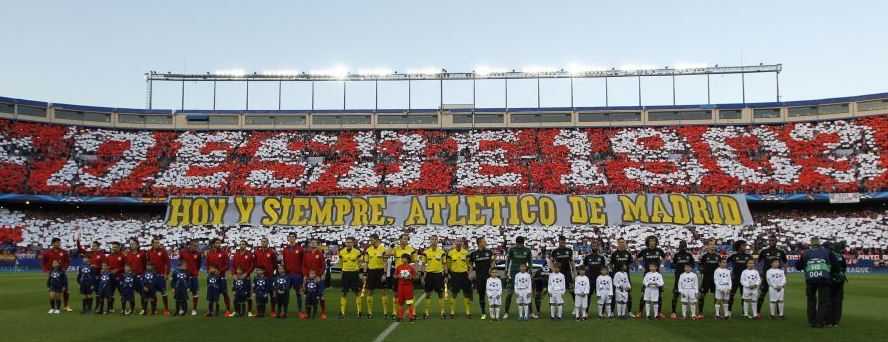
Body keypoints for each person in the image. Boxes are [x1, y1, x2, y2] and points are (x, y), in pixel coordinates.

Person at [795, 237, 839, 328]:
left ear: (811, 244)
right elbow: (836, 266)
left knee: (811, 300)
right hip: (824, 278)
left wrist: (806, 266)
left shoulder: (806, 253)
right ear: (819, 244)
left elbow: (797, 266)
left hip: (810, 279)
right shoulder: (827, 252)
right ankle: (820, 321)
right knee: (823, 301)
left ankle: (812, 321)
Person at [388, 233, 417, 321]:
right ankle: (395, 313)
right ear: (400, 239)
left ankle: (413, 314)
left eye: (407, 239)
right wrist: (392, 245)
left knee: (410, 295)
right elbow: (387, 254)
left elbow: (415, 262)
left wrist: (413, 273)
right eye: (404, 239)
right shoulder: (396, 249)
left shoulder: (411, 250)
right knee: (396, 294)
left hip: (408, 274)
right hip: (398, 273)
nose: (406, 240)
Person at [756, 235, 788, 314]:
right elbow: (758, 261)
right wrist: (759, 271)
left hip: (777, 278)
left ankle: (778, 313)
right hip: (766, 276)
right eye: (770, 240)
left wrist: (785, 272)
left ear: (776, 241)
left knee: (778, 295)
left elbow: (785, 262)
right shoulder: (764, 251)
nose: (771, 242)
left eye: (773, 240)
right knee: (762, 294)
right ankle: (757, 312)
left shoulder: (781, 251)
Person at [504, 236, 533, 320]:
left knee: (528, 293)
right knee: (509, 293)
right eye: (518, 244)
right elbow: (507, 260)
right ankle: (506, 313)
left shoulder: (527, 250)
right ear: (516, 243)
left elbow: (530, 261)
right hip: (513, 274)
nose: (519, 245)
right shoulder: (512, 249)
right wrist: (506, 271)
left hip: (524, 274)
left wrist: (530, 271)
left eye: (521, 244)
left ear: (523, 243)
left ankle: (530, 313)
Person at [636, 235, 665, 318]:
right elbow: (636, 258)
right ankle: (640, 312)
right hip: (647, 274)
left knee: (659, 294)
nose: (652, 242)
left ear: (656, 242)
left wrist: (662, 264)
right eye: (650, 241)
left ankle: (659, 313)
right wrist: (639, 266)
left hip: (657, 274)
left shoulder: (659, 250)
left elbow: (664, 257)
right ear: (648, 242)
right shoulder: (644, 251)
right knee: (644, 293)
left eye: (654, 241)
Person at [42, 237, 72, 312]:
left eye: (59, 242)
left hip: (62, 273)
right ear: (53, 243)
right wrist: (46, 270)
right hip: (52, 273)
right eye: (57, 242)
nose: (59, 244)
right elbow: (43, 263)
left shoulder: (64, 252)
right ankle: (53, 307)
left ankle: (66, 306)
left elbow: (68, 261)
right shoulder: (47, 252)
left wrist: (65, 268)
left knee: (66, 289)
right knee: (52, 288)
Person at [421, 235, 447, 319]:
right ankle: (426, 313)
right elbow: (423, 265)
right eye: (432, 239)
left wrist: (446, 275)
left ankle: (442, 312)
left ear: (438, 241)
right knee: (428, 294)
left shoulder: (442, 252)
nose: (434, 241)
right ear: (430, 240)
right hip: (429, 275)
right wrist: (422, 276)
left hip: (439, 275)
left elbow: (445, 264)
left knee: (440, 294)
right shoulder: (426, 252)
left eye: (436, 239)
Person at [468, 236, 495, 319]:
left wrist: (492, 269)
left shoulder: (489, 252)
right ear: (479, 243)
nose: (485, 243)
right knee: (481, 295)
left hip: (489, 277)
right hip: (479, 277)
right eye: (483, 241)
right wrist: (470, 272)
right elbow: (471, 264)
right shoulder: (474, 254)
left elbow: (493, 261)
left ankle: (494, 312)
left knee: (492, 294)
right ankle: (483, 313)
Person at [363, 233, 389, 319]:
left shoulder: (383, 249)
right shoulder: (368, 250)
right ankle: (369, 312)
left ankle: (385, 312)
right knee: (370, 291)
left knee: (383, 291)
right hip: (371, 272)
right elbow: (366, 263)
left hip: (380, 271)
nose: (370, 242)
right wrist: (364, 274)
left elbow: (385, 262)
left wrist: (384, 274)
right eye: (370, 240)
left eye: (372, 240)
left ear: (377, 240)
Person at [446, 237, 472, 319]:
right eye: (457, 241)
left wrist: (469, 272)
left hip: (464, 274)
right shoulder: (450, 253)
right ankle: (452, 312)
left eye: (460, 241)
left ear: (462, 243)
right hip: (455, 275)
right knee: (454, 293)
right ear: (454, 242)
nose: (458, 242)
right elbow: (449, 265)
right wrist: (450, 273)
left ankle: (468, 312)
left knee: (466, 293)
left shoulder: (466, 252)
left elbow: (468, 264)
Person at [205, 238, 232, 317]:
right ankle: (210, 311)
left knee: (225, 293)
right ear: (213, 244)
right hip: (212, 277)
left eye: (219, 243)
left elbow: (228, 265)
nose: (219, 244)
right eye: (217, 243)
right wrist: (208, 270)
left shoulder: (224, 253)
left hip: (221, 277)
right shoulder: (209, 253)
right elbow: (207, 264)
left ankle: (228, 310)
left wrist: (220, 271)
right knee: (212, 293)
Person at [338, 236, 363, 319]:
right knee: (344, 292)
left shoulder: (357, 252)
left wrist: (356, 269)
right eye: (347, 242)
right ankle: (342, 312)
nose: (348, 243)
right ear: (345, 243)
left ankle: (359, 311)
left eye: (350, 242)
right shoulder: (341, 252)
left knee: (357, 292)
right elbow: (340, 263)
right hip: (345, 273)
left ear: (353, 243)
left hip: (354, 273)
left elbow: (360, 263)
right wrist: (344, 269)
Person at [282, 232, 305, 319]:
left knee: (298, 293)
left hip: (297, 275)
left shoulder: (300, 249)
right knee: (285, 293)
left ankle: (299, 311)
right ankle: (285, 312)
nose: (291, 238)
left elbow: (303, 262)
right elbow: (284, 262)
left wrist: (303, 275)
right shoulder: (285, 249)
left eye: (293, 237)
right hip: (288, 275)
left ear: (296, 238)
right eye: (290, 237)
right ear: (288, 238)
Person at [303, 238, 327, 319]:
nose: (313, 244)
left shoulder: (320, 254)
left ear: (317, 244)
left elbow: (323, 266)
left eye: (314, 242)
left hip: (318, 279)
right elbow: (303, 266)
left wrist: (319, 276)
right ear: (309, 244)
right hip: (308, 279)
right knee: (307, 295)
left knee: (321, 295)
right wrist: (305, 275)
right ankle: (307, 312)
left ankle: (323, 312)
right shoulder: (306, 254)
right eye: (311, 243)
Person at [670, 240, 695, 320]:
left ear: (686, 246)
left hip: (688, 279)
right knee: (675, 295)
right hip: (678, 278)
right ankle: (673, 312)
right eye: (682, 246)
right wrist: (674, 265)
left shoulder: (689, 255)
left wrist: (689, 267)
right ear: (679, 246)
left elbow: (693, 264)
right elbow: (672, 265)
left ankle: (692, 314)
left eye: (684, 246)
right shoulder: (676, 255)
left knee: (690, 297)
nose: (683, 247)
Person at [697, 239, 721, 319]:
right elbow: (700, 265)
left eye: (713, 244)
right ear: (708, 246)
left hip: (715, 279)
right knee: (702, 295)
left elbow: (720, 267)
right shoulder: (704, 256)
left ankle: (717, 313)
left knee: (716, 296)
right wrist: (702, 271)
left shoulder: (718, 256)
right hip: (706, 278)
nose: (712, 246)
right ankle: (700, 313)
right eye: (710, 244)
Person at [253, 237, 276, 317]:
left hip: (269, 276)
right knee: (259, 294)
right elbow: (255, 263)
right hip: (259, 277)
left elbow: (274, 264)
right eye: (262, 241)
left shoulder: (272, 252)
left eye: (265, 241)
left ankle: (273, 311)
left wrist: (272, 273)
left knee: (271, 293)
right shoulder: (256, 252)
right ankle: (260, 311)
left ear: (268, 242)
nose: (263, 243)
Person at [727, 240, 752, 313]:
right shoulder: (733, 255)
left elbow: (752, 267)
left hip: (745, 280)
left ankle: (744, 312)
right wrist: (728, 273)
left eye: (745, 245)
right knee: (731, 295)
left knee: (744, 296)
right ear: (739, 246)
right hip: (735, 278)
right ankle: (728, 311)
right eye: (743, 245)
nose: (745, 247)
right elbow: (724, 263)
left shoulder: (748, 256)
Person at [609, 238, 634, 314]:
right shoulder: (614, 253)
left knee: (628, 293)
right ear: (617, 243)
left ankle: (629, 311)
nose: (621, 243)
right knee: (613, 293)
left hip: (626, 276)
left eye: (623, 242)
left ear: (625, 243)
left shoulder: (628, 253)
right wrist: (613, 269)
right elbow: (610, 263)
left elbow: (631, 262)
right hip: (616, 276)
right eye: (620, 242)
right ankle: (612, 311)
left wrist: (629, 267)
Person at [148, 237, 171, 315]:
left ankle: (166, 309)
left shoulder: (163, 251)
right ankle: (154, 309)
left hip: (161, 276)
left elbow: (168, 263)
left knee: (163, 293)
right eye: (155, 243)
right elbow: (147, 264)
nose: (157, 244)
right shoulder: (149, 252)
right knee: (152, 293)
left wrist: (166, 273)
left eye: (158, 242)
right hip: (152, 276)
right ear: (152, 244)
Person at [179, 240, 203, 316]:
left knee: (195, 293)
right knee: (182, 293)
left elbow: (199, 264)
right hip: (184, 277)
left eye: (197, 246)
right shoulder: (183, 252)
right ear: (190, 246)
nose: (196, 247)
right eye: (195, 246)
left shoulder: (198, 254)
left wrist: (195, 271)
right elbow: (180, 262)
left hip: (194, 276)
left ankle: (194, 309)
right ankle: (182, 308)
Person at [124, 238, 148, 315]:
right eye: (131, 244)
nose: (132, 245)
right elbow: (127, 264)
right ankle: (132, 309)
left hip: (139, 276)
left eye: (134, 243)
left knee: (142, 293)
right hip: (130, 276)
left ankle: (144, 309)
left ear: (138, 245)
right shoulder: (128, 253)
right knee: (130, 293)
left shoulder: (142, 254)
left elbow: (145, 265)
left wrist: (143, 274)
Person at [827, 240, 847, 327]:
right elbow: (844, 269)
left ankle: (829, 321)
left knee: (829, 300)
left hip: (830, 279)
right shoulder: (841, 257)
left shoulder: (829, 256)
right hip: (840, 280)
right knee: (838, 301)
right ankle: (836, 321)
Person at [550, 235, 576, 303]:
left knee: (572, 289)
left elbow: (571, 261)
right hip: (558, 273)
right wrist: (553, 270)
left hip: (567, 272)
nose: (563, 243)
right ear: (558, 241)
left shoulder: (569, 250)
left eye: (564, 242)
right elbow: (551, 261)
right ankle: (557, 307)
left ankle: (576, 306)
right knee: (557, 289)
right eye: (561, 242)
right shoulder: (555, 251)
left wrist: (574, 270)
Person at [582, 240, 606, 314]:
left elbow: (604, 268)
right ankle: (586, 311)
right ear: (591, 247)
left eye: (595, 246)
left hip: (600, 279)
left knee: (601, 295)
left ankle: (602, 312)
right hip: (590, 279)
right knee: (588, 296)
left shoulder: (601, 257)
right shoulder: (587, 257)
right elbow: (584, 267)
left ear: (598, 247)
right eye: (593, 246)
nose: (594, 247)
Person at [233, 240, 255, 317]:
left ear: (246, 246)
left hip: (246, 278)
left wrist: (246, 273)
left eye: (243, 244)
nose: (241, 245)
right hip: (237, 278)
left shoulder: (249, 254)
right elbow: (233, 266)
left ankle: (249, 311)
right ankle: (237, 311)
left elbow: (252, 266)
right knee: (236, 295)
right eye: (240, 244)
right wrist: (234, 274)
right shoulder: (236, 254)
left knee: (248, 295)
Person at [394, 253, 417, 322]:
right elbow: (394, 276)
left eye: (404, 258)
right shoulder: (399, 267)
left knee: (409, 302)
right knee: (400, 302)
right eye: (402, 258)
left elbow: (415, 278)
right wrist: (399, 276)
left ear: (408, 259)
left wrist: (410, 275)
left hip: (408, 287)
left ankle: (411, 317)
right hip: (400, 287)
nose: (402, 259)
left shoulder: (411, 268)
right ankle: (400, 317)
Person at [106, 242, 125, 314]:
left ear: (119, 248)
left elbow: (125, 266)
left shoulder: (123, 256)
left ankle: (123, 309)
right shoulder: (109, 256)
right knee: (110, 293)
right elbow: (107, 266)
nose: (114, 248)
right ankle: (111, 308)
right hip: (111, 277)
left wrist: (117, 270)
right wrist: (108, 269)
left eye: (116, 247)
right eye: (113, 247)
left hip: (120, 277)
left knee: (122, 293)